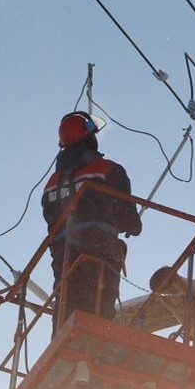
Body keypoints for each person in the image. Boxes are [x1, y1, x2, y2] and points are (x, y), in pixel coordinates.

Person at [42, 111, 142, 328]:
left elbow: (50, 217)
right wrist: (133, 226)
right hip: (98, 247)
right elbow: (127, 213)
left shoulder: (53, 182)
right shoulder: (107, 169)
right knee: (99, 303)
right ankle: (96, 342)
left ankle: (63, 337)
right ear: (89, 136)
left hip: (63, 253)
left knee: (66, 303)